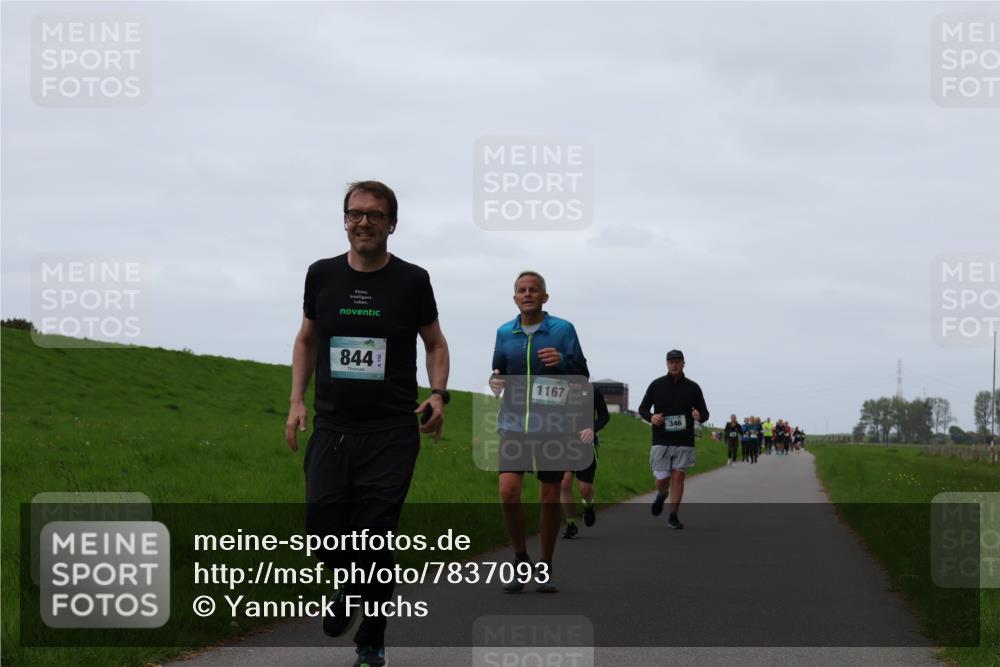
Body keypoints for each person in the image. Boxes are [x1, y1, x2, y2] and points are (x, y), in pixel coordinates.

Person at [285, 180, 450, 667]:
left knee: (375, 532)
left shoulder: (413, 280)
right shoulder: (322, 275)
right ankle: (350, 586)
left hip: (392, 431)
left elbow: (435, 343)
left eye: (375, 215)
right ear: (344, 220)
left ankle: (371, 641)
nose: (364, 222)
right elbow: (307, 338)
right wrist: (297, 400)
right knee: (322, 526)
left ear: (391, 224)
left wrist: (439, 394)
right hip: (333, 427)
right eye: (355, 213)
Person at [489, 271, 589, 592]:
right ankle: (520, 559)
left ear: (545, 297)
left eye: (534, 290)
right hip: (514, 425)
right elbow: (498, 373)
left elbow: (582, 374)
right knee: (507, 491)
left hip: (552, 428)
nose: (528, 294)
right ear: (515, 297)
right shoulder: (505, 333)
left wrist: (562, 361)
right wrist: (495, 382)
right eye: (522, 290)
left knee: (548, 498)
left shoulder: (563, 330)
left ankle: (545, 566)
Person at [638, 349, 710, 529]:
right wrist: (651, 417)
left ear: (683, 363)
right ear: (667, 364)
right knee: (662, 479)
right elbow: (643, 408)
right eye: (671, 362)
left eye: (677, 361)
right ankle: (662, 494)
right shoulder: (656, 385)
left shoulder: (693, 387)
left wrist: (698, 415)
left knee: (678, 477)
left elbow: (705, 413)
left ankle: (673, 515)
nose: (674, 364)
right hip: (661, 439)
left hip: (684, 440)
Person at [561, 385, 609, 538]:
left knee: (584, 489)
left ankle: (588, 507)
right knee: (565, 482)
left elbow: (604, 416)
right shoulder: (558, 390)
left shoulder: (593, 391)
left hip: (585, 445)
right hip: (563, 445)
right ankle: (570, 523)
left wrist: (592, 429)